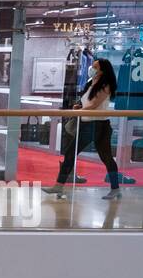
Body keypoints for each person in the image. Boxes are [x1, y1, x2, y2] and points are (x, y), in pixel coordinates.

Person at [44, 57, 123, 201]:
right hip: (88, 123)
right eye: (92, 66)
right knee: (98, 157)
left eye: (95, 67)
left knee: (95, 156)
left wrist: (78, 111)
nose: (91, 69)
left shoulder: (105, 85)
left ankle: (59, 185)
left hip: (98, 125)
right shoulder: (90, 83)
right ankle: (115, 188)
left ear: (102, 71)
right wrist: (78, 107)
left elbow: (94, 105)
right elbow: (87, 103)